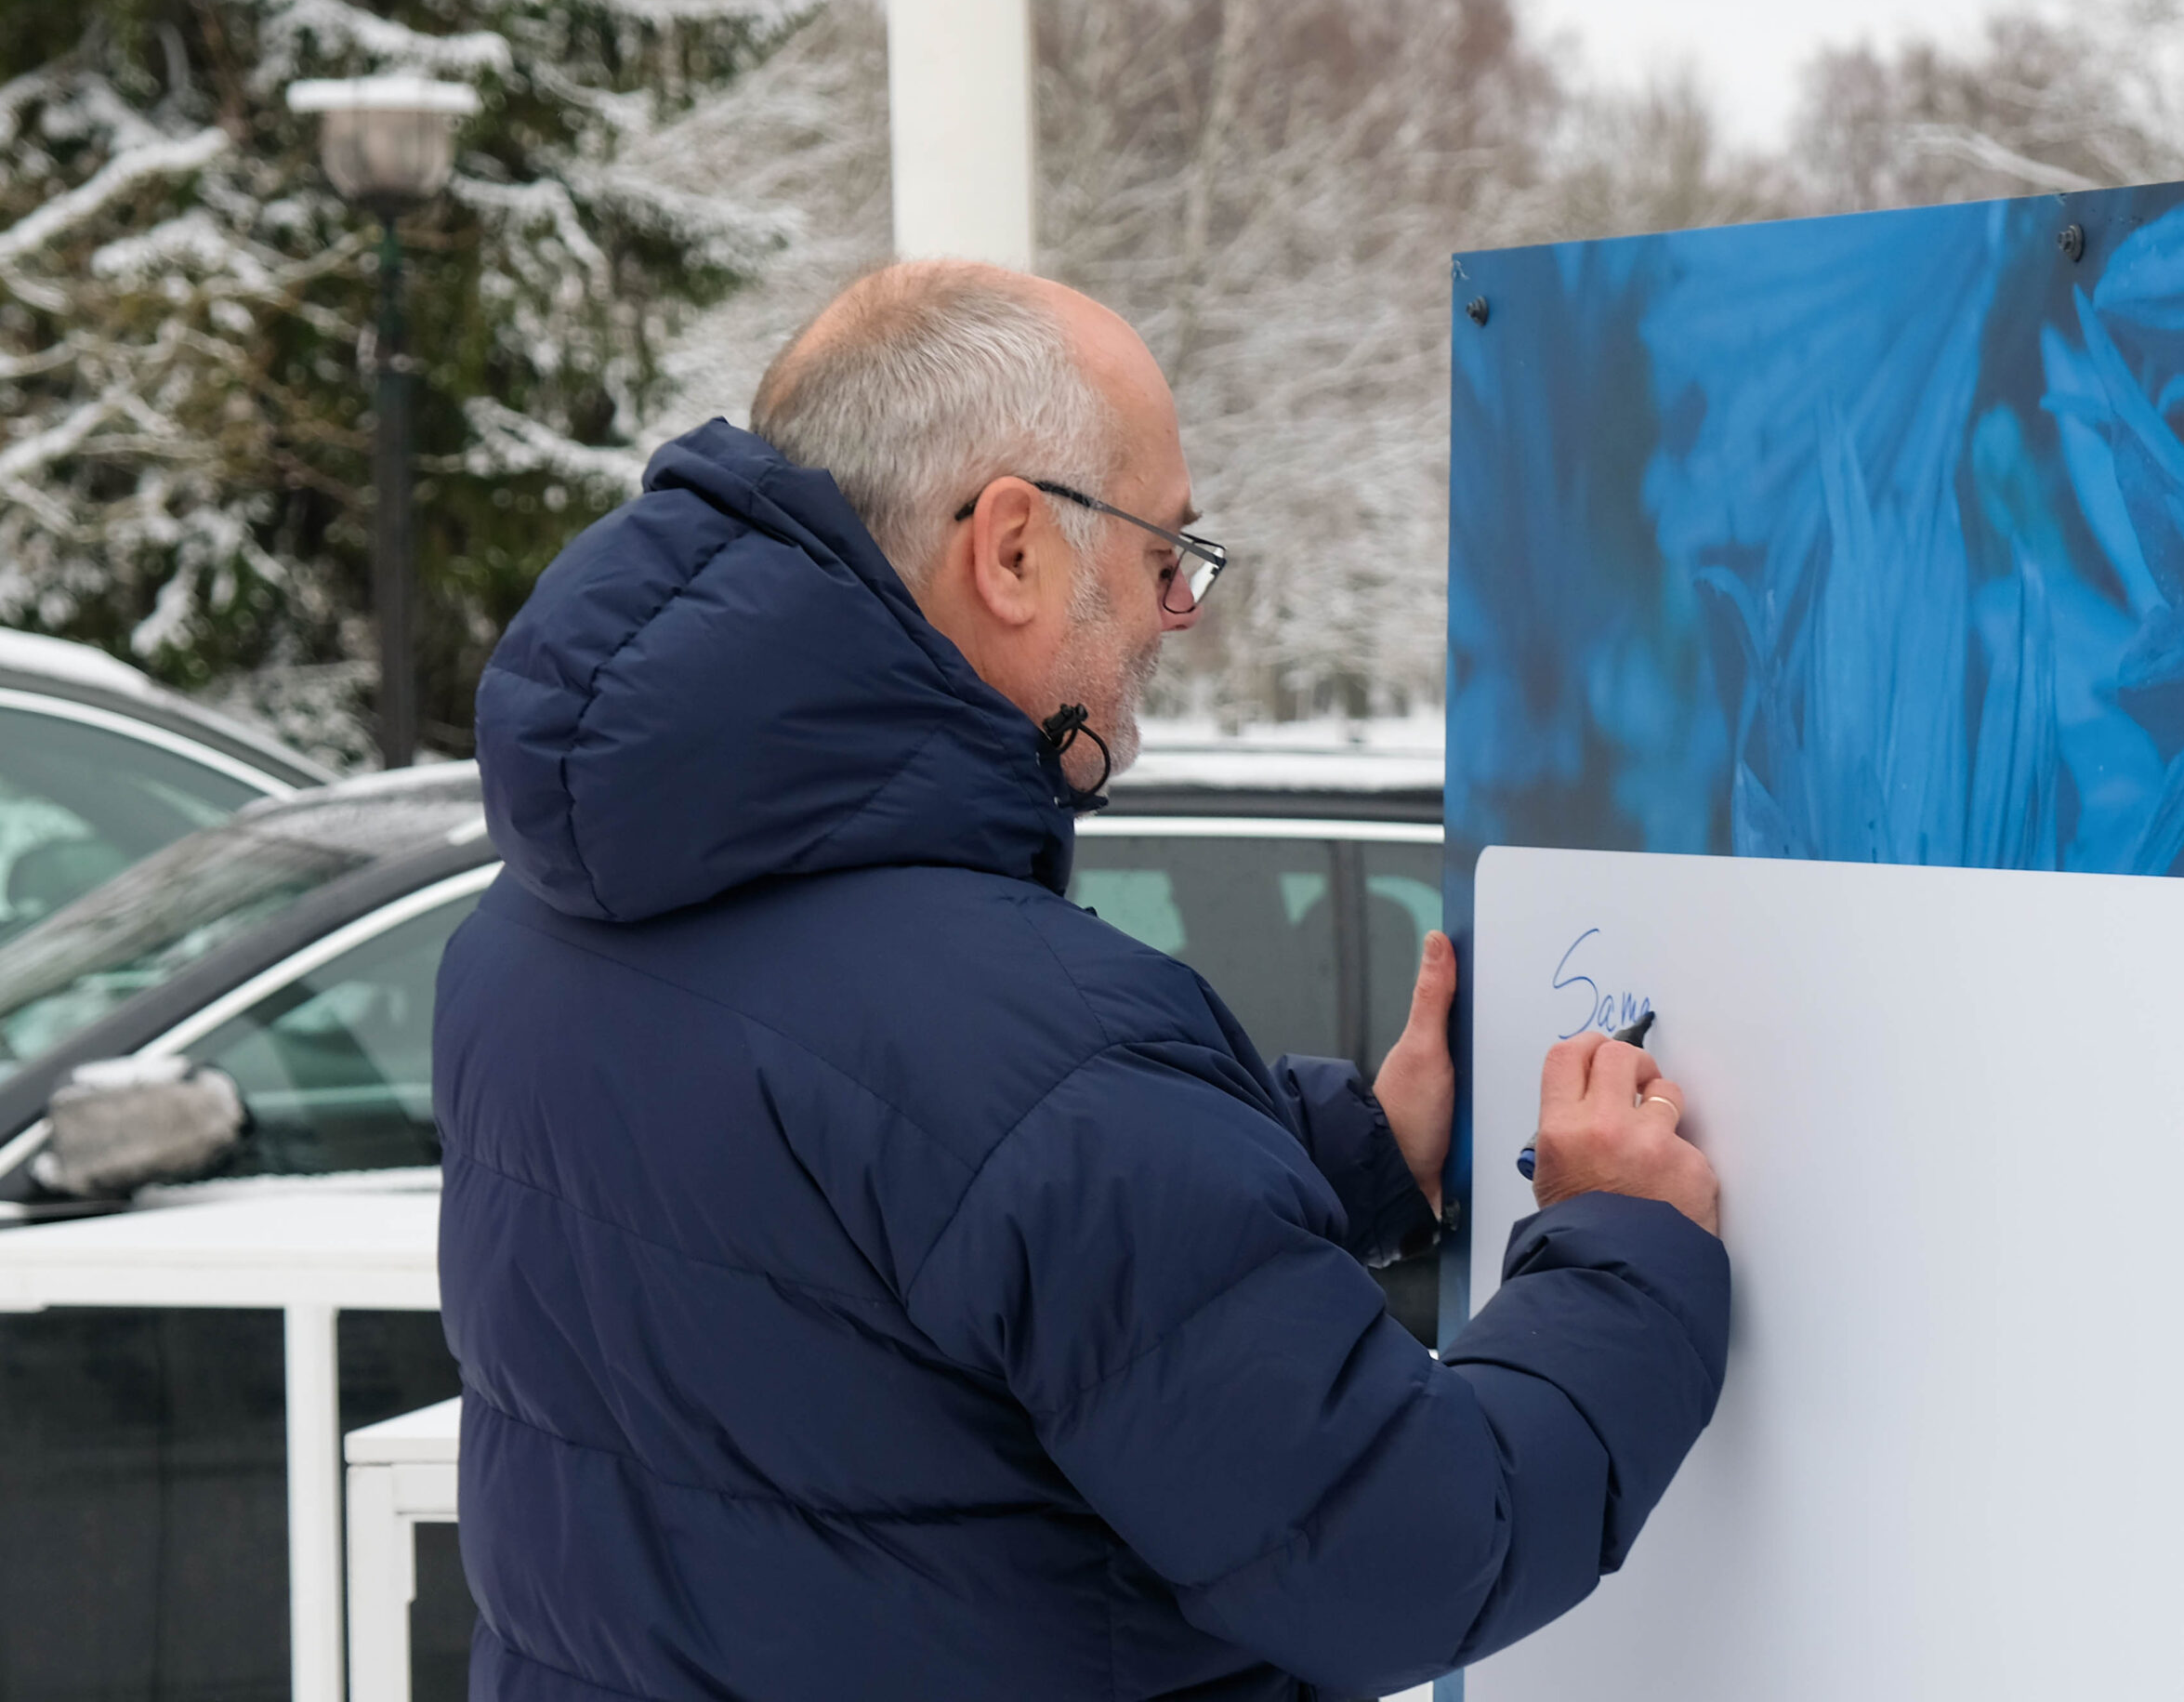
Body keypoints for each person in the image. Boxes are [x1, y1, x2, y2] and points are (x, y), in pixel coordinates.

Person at [436, 261, 1727, 1702]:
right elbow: (1413, 1550)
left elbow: (875, 1223)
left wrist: (1357, 1153)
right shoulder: (1046, 1052)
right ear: (1012, 549)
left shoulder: (532, 933)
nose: (1180, 609)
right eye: (1164, 547)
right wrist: (1622, 1247)